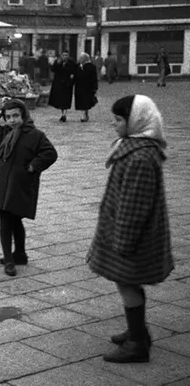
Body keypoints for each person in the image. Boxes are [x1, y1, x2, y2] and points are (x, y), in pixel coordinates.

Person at [87, 95, 173, 363]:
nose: (114, 124)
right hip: (127, 231)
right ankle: (138, 330)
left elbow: (135, 205)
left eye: (119, 119)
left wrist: (122, 242)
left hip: (132, 235)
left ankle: (137, 343)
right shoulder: (133, 147)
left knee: (127, 282)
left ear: (136, 121)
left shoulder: (140, 157)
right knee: (128, 283)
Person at [0, 98, 58, 277]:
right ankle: (15, 256)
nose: (12, 120)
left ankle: (13, 258)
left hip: (18, 184)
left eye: (16, 115)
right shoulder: (1, 132)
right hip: (0, 184)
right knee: (8, 219)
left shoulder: (35, 135)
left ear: (24, 115)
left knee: (12, 219)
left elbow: (50, 153)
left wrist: (33, 166)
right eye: (8, 116)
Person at [48, 50, 76, 122]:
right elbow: (53, 69)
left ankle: (64, 115)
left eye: (66, 55)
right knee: (61, 101)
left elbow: (74, 72)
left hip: (67, 85)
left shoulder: (71, 63)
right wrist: (56, 63)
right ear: (61, 55)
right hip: (59, 84)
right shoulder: (58, 62)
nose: (64, 57)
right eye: (63, 55)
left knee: (66, 101)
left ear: (68, 56)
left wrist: (72, 81)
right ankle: (63, 114)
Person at [74, 52, 99, 122]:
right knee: (82, 102)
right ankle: (85, 114)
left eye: (81, 58)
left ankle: (83, 116)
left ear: (84, 59)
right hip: (79, 87)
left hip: (88, 87)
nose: (79, 59)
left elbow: (94, 78)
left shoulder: (91, 67)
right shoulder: (78, 66)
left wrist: (95, 88)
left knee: (85, 101)